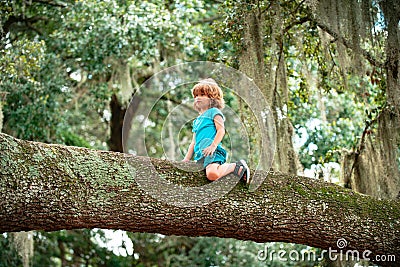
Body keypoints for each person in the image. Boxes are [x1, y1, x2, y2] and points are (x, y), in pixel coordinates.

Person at [182, 78, 251, 185]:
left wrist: (213, 146)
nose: (198, 98)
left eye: (202, 95)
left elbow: (221, 130)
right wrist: (186, 159)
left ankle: (236, 166)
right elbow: (193, 142)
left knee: (212, 174)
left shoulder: (214, 112)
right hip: (201, 156)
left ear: (212, 98)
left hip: (212, 152)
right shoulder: (197, 121)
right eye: (196, 96)